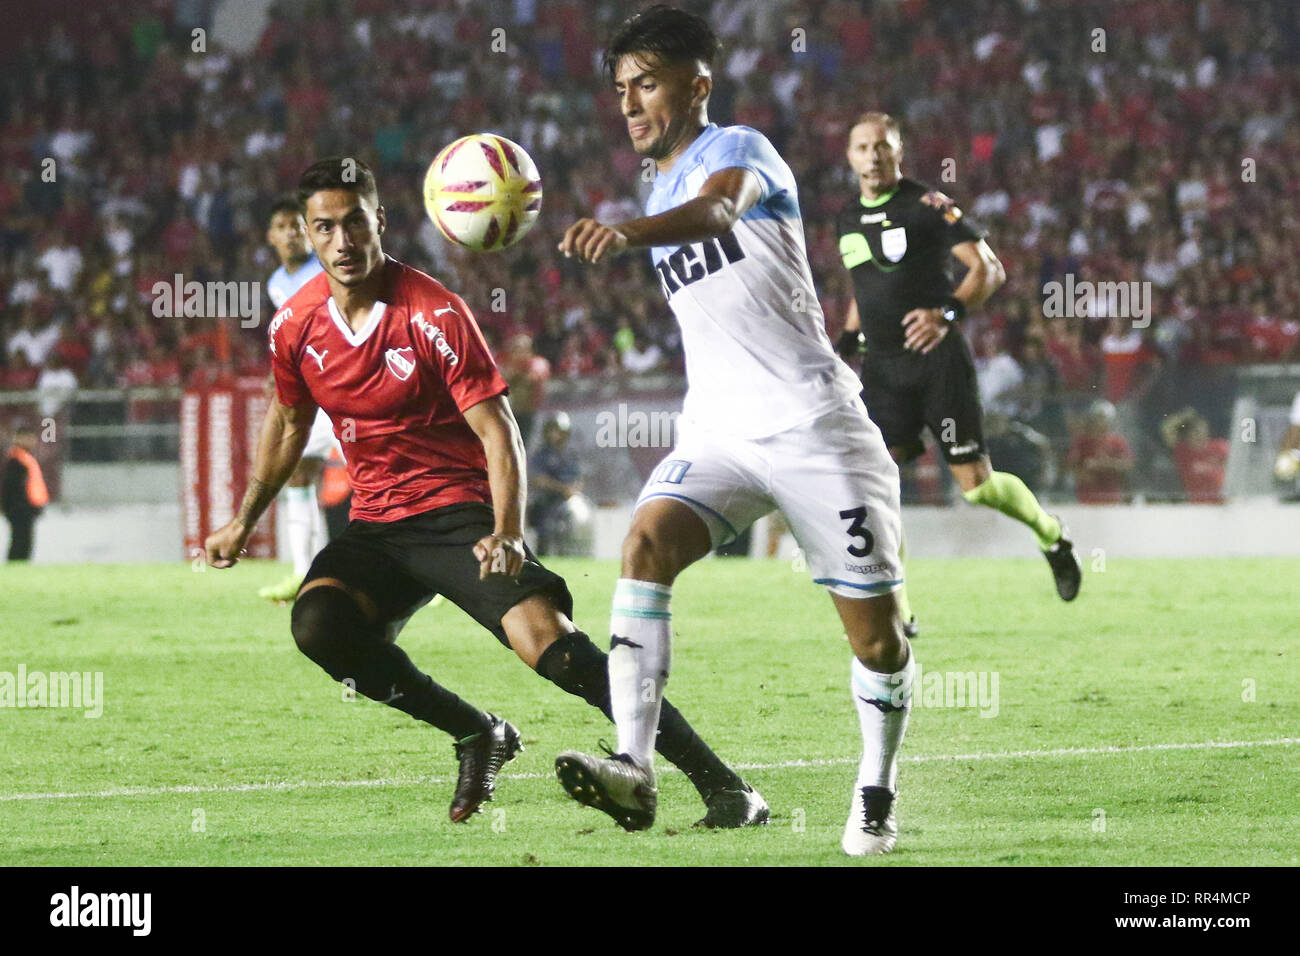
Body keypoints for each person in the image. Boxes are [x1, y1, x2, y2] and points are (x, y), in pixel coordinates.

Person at [204, 157, 764, 828]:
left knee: (555, 651)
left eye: (355, 223)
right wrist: (242, 520)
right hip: (378, 523)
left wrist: (506, 531)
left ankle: (726, 788)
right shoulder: (294, 325)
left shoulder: (434, 312)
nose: (343, 241)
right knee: (318, 624)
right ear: (308, 234)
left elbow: (499, 432)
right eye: (324, 228)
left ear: (378, 221)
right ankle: (478, 733)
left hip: (460, 512)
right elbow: (290, 422)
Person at [552, 6, 909, 855]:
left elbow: (719, 216)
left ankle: (875, 788)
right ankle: (633, 766)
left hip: (815, 426)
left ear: (697, 84)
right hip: (718, 432)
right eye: (622, 89)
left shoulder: (739, 149)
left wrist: (626, 233)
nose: (631, 103)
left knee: (879, 640)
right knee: (643, 546)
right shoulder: (654, 183)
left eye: (648, 83)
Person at [835, 112, 1081, 632]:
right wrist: (845, 344)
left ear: (898, 151)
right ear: (850, 156)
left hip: (937, 365)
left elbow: (988, 268)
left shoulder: (926, 205)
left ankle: (1051, 534)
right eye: (863, 148)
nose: (873, 156)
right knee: (875, 480)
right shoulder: (846, 219)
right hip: (882, 370)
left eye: (883, 146)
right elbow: (865, 291)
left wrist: (947, 314)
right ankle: (899, 608)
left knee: (976, 485)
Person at [258, 198, 340, 604]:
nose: (291, 232)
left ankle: (431, 572)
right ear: (271, 237)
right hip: (315, 394)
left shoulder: (329, 269)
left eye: (298, 225)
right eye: (282, 226)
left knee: (390, 474)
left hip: (350, 388)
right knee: (298, 475)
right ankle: (307, 573)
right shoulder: (276, 283)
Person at [527, 412, 583, 556]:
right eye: (555, 431)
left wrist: (574, 489)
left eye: (562, 432)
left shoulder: (570, 455)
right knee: (545, 529)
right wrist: (563, 488)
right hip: (546, 502)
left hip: (567, 502)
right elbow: (538, 480)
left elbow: (578, 478)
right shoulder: (541, 455)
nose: (558, 435)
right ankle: (543, 558)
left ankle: (567, 557)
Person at [1066, 400, 1134, 504]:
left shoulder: (1118, 441)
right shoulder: (1082, 441)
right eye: (1097, 417)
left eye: (1103, 418)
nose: (1100, 422)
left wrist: (1106, 464)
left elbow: (1127, 464)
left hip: (1112, 498)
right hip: (1087, 498)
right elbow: (1071, 465)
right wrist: (1084, 473)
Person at [2, 422, 49, 561]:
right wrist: (18, 507)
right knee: (20, 542)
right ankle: (16, 568)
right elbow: (12, 486)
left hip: (26, 509)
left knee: (24, 541)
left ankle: (19, 567)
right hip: (20, 509)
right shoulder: (17, 459)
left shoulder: (24, 457)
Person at [1161, 407, 1228, 504]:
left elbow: (1236, 469)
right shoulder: (1183, 451)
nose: (1200, 434)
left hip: (1223, 505)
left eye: (1203, 430)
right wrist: (1184, 415)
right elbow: (1166, 429)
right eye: (1196, 431)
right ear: (1188, 434)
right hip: (1197, 507)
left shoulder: (1220, 446)